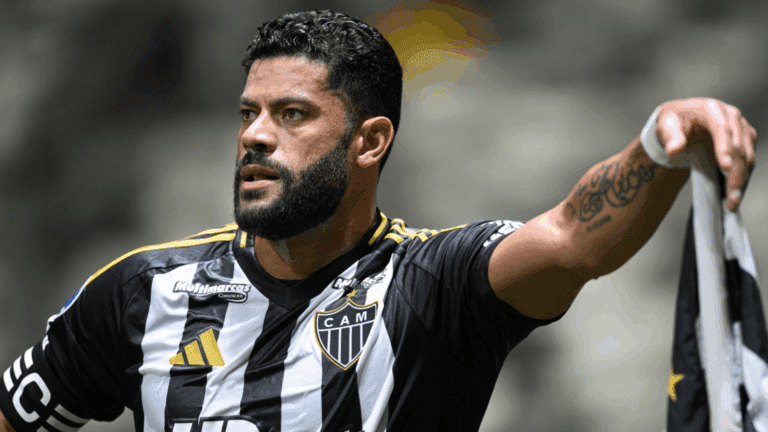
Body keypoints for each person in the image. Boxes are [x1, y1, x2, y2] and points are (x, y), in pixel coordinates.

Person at [0, 9, 757, 432]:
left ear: (370, 142)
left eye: (292, 114)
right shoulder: (141, 291)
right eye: (248, 113)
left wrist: (657, 146)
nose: (255, 135)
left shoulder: (433, 285)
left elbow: (571, 239)